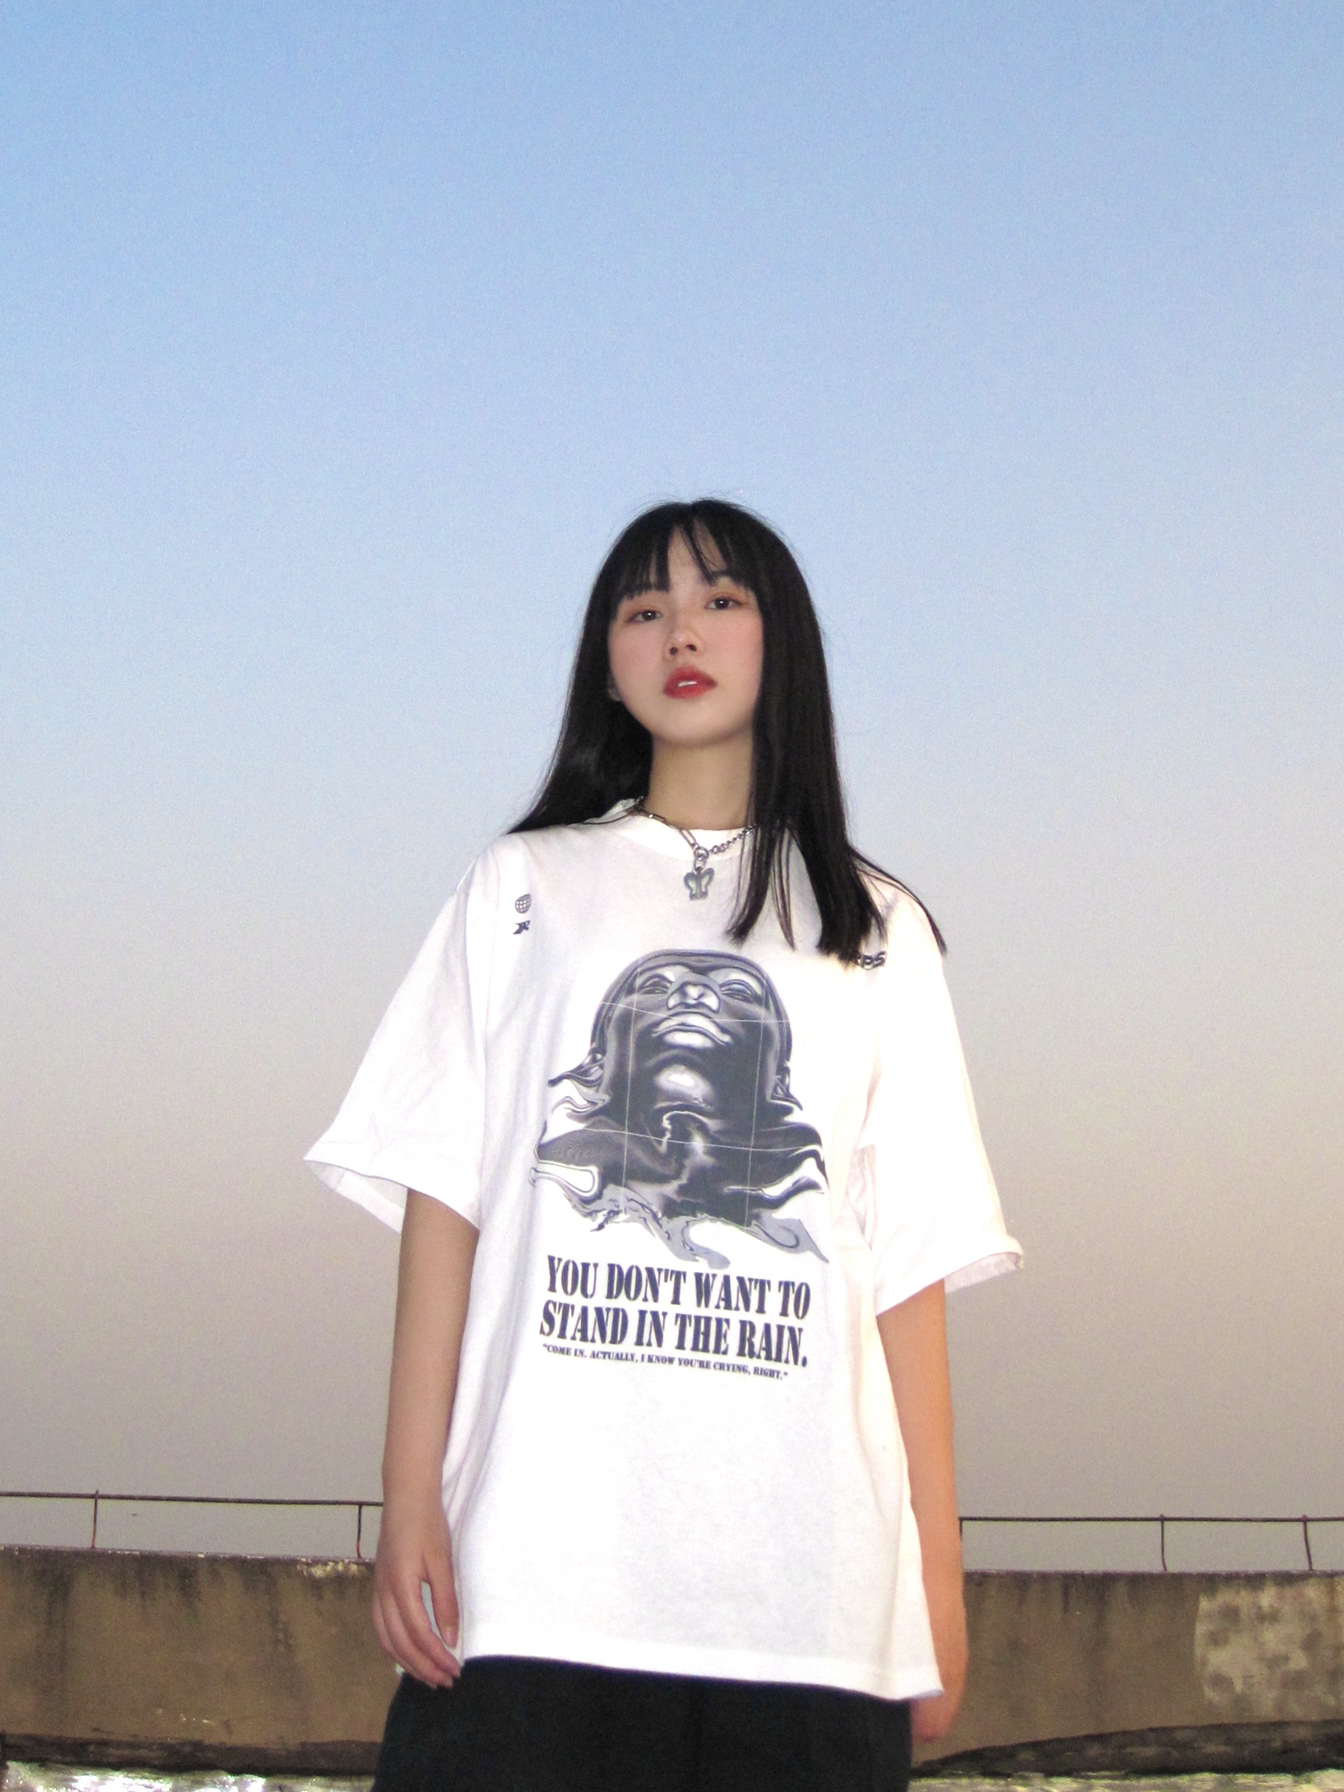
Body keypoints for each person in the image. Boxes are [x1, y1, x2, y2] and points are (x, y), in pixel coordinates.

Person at [306, 499, 1020, 1792]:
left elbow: (905, 1270)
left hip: (810, 1614)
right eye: (644, 609)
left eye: (720, 599)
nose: (681, 630)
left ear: (781, 641)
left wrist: (938, 1579)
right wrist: (410, 1496)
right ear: (608, 663)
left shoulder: (877, 929)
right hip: (528, 1589)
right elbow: (445, 1203)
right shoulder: (522, 887)